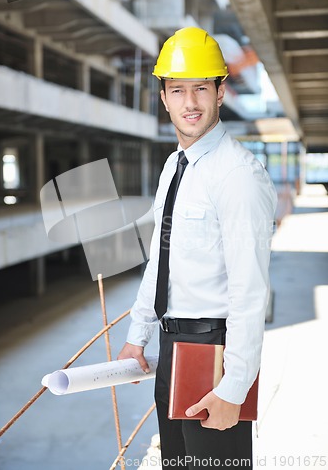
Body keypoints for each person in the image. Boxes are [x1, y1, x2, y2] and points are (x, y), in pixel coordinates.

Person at [118, 26, 277, 469]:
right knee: (177, 464)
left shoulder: (238, 175)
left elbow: (250, 292)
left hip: (216, 352)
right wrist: (138, 335)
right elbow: (161, 260)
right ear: (164, 96)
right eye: (178, 90)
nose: (190, 103)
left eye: (201, 89)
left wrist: (234, 387)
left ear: (221, 92)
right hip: (173, 347)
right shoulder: (174, 166)